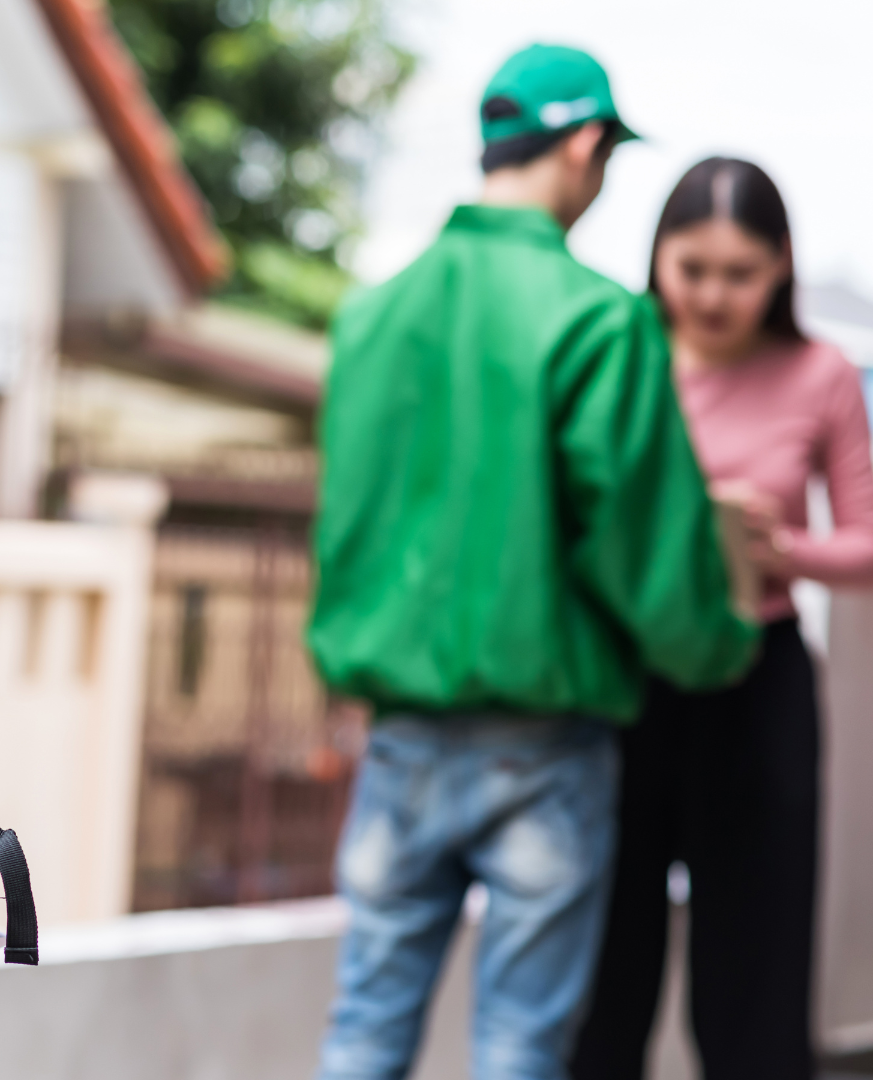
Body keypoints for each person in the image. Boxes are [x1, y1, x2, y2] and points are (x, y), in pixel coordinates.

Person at [310, 46, 759, 1080]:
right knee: (518, 1043)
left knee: (365, 1026)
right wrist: (722, 648)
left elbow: (348, 525)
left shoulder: (373, 318)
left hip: (401, 737)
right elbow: (646, 552)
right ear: (586, 144)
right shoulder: (600, 320)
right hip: (544, 748)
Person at [569, 158, 873, 1080]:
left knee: (757, 958)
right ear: (656, 258)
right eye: (692, 267)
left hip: (761, 682)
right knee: (605, 959)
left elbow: (871, 546)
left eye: (740, 273)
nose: (713, 295)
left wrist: (778, 546)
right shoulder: (619, 350)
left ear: (783, 266)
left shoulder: (822, 372)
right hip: (630, 680)